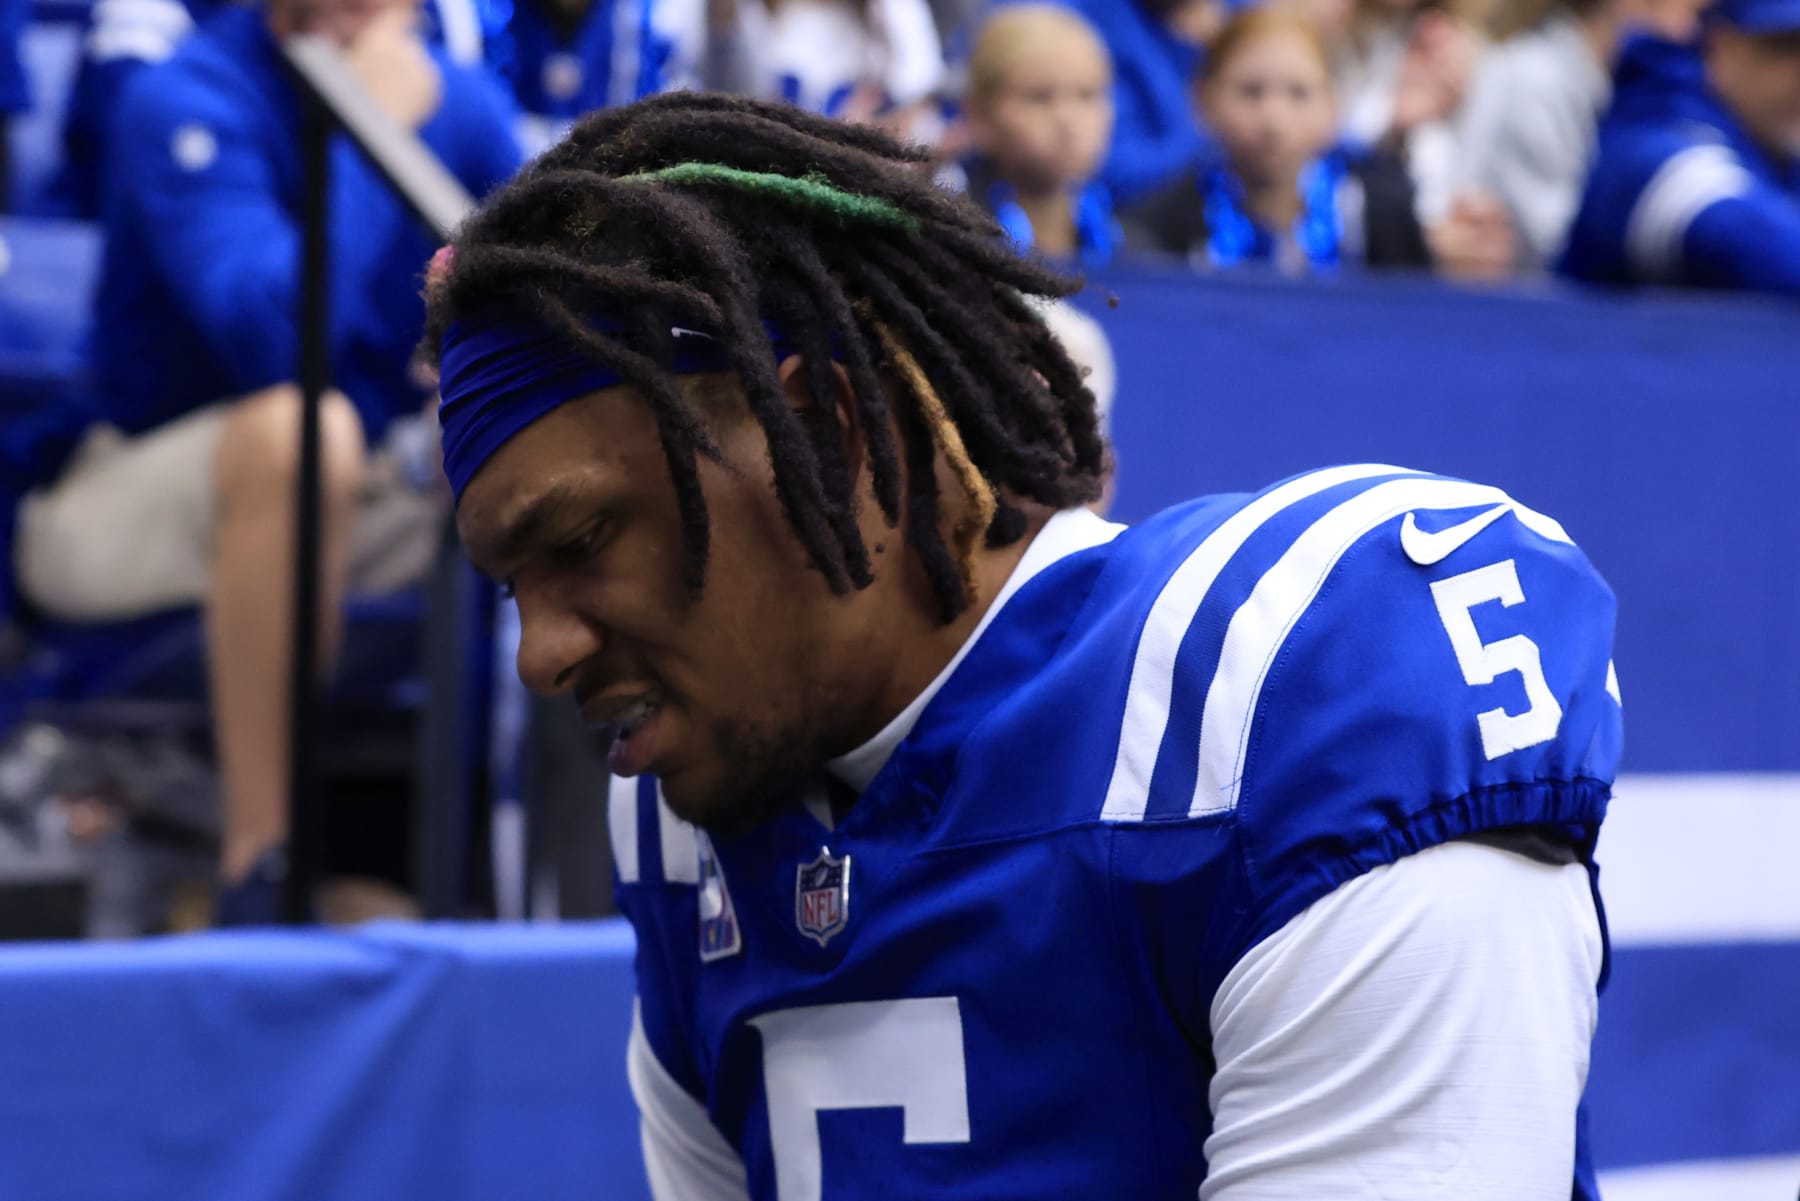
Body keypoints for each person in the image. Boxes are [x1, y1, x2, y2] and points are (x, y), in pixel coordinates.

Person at [427, 92, 1621, 1199]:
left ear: (825, 431)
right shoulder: (686, 826)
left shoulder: (1289, 699)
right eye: (512, 585)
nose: (541, 652)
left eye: (581, 538)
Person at [11, 0, 522, 924]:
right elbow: (284, 337)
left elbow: (546, 292)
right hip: (123, 492)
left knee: (557, 451)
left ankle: (517, 895)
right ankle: (263, 868)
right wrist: (368, 130)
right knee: (301, 430)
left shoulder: (460, 101)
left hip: (360, 490)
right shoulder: (186, 93)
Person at [1124, 9, 1434, 273]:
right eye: (1251, 91)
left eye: (1299, 93)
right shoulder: (1155, 231)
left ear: (1333, 106)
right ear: (1203, 100)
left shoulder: (1379, 214)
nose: (1274, 120)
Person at [1560, 0, 1800, 296]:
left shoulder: (1780, 149)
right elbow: (1737, 231)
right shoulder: (1651, 133)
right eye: (1783, 47)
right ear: (1720, 46)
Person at [1450, 0, 1697, 270]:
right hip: (1501, 301)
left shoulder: (1616, 85)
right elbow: (1557, 242)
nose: (1690, 29)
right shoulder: (1536, 79)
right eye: (1689, 10)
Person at [958, 4, 1120, 266]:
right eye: (1040, 96)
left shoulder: (1134, 246)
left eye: (1087, 95)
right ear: (980, 115)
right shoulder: (951, 239)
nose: (1067, 119)